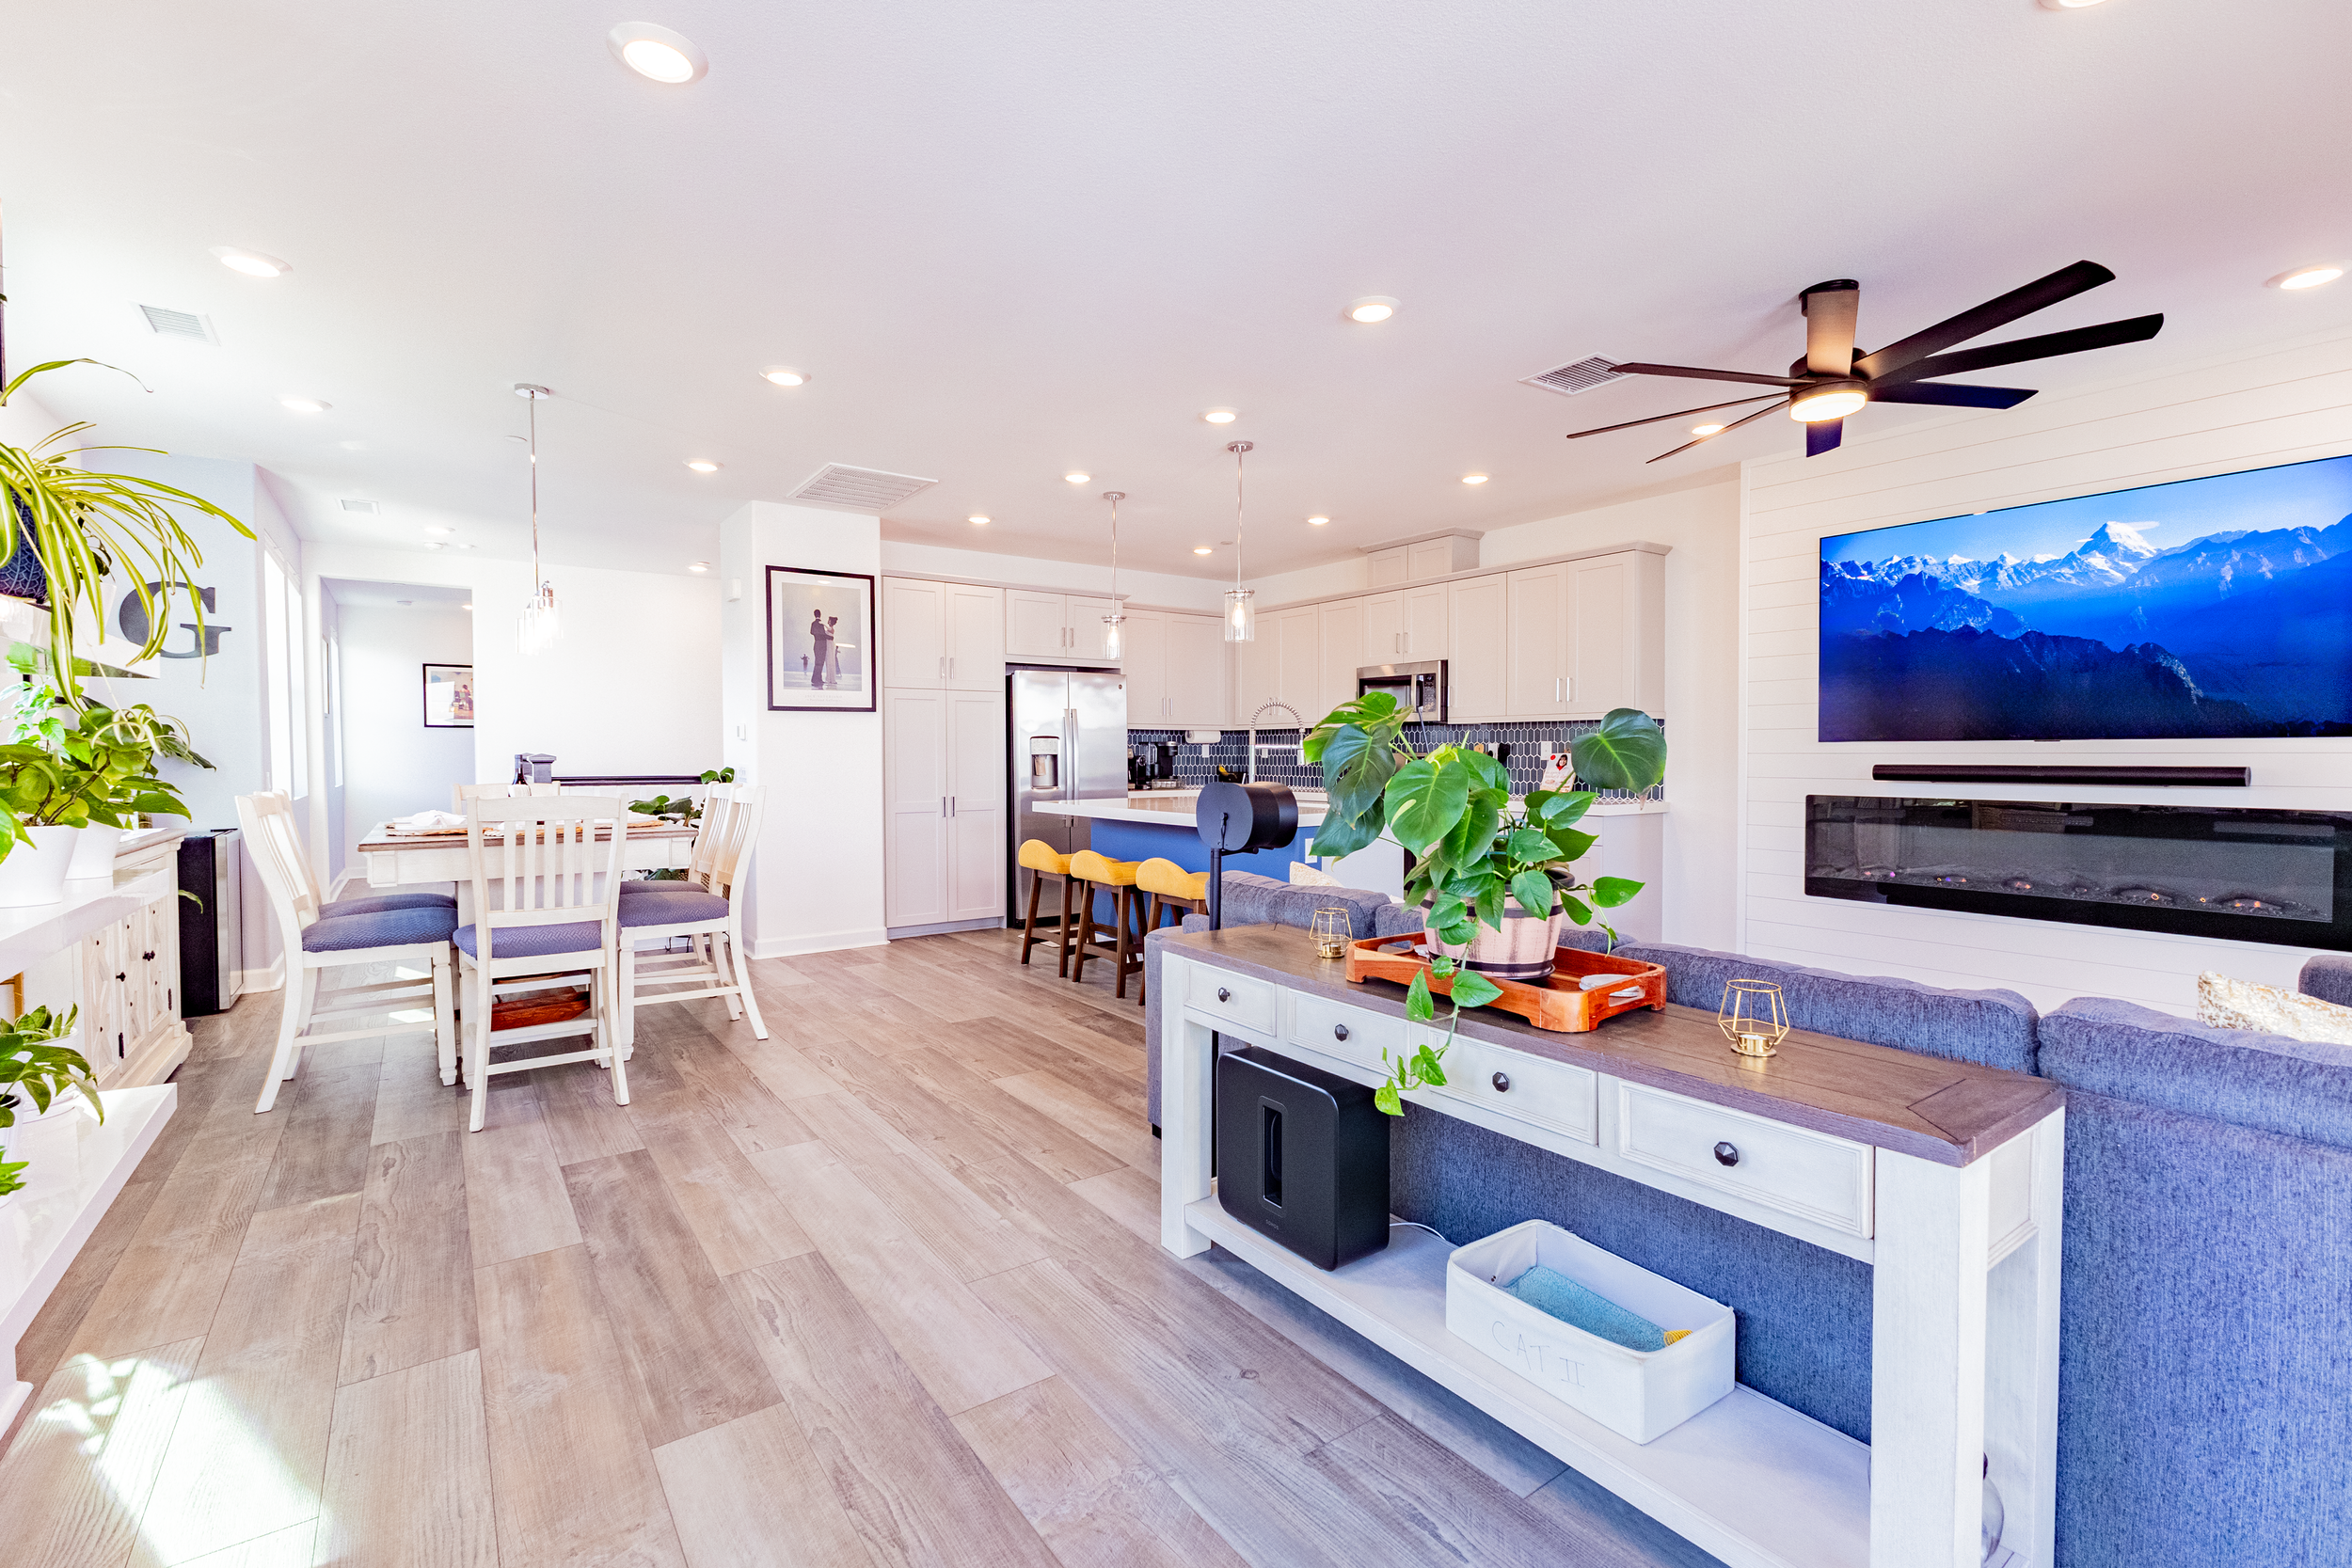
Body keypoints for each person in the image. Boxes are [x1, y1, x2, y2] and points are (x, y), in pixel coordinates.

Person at [809, 610, 833, 689]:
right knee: (820, 663)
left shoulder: (814, 624)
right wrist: (830, 637)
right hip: (821, 645)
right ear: (820, 615)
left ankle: (817, 678)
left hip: (817, 645)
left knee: (818, 662)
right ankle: (816, 679)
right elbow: (823, 635)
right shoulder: (820, 625)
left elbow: (813, 632)